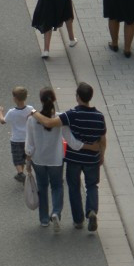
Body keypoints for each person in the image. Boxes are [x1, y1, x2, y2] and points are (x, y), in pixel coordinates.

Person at [29, 82, 107, 232]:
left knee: (74, 187)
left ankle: (78, 221)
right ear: (90, 97)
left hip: (74, 159)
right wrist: (101, 154)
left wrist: (33, 112)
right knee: (92, 185)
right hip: (92, 159)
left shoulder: (71, 114)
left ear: (77, 97)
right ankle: (91, 211)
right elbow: (103, 140)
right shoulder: (99, 117)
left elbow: (49, 122)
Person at [0, 86, 34, 183]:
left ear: (15, 99)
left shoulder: (11, 112)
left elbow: (2, 121)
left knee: (17, 157)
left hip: (16, 139)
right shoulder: (30, 109)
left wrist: (0, 112)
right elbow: (34, 116)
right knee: (26, 155)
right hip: (27, 138)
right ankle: (25, 172)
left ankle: (20, 173)